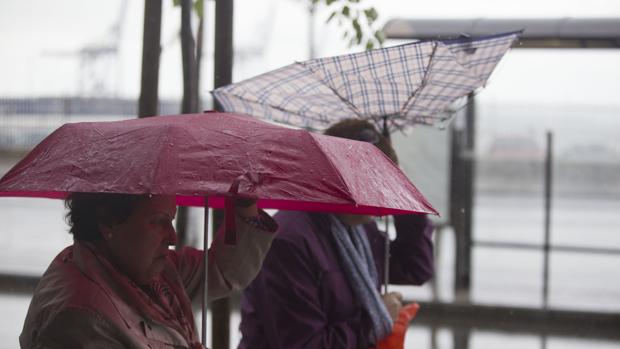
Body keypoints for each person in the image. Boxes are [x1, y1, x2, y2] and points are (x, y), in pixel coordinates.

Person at [238, 119, 435, 348]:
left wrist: (404, 199)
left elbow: (414, 268)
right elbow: (305, 344)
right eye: (375, 179)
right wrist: (374, 321)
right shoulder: (290, 240)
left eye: (387, 179)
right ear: (340, 177)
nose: (383, 190)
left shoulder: (360, 230)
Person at [20, 193, 277, 349]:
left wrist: (244, 205)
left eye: (172, 221)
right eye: (158, 221)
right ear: (108, 222)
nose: (173, 236)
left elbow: (222, 271)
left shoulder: (149, 270)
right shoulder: (78, 317)